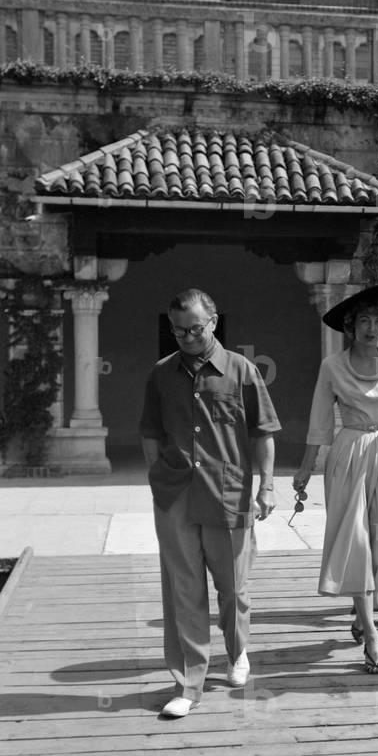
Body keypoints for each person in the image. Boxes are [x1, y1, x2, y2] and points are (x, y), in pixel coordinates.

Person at [140, 289, 280, 718]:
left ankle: (237, 652)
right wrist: (157, 477)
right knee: (183, 591)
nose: (186, 337)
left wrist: (267, 487)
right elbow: (150, 432)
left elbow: (262, 432)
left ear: (214, 322)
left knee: (233, 586)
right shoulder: (162, 374)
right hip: (176, 494)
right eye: (178, 330)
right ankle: (187, 683)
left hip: (228, 492)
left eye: (195, 328)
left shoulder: (242, 370)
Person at [293, 284, 378, 675]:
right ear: (350, 325)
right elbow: (318, 422)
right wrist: (304, 468)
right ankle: (372, 635)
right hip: (348, 456)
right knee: (356, 544)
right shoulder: (332, 365)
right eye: (364, 319)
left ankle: (361, 611)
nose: (371, 327)